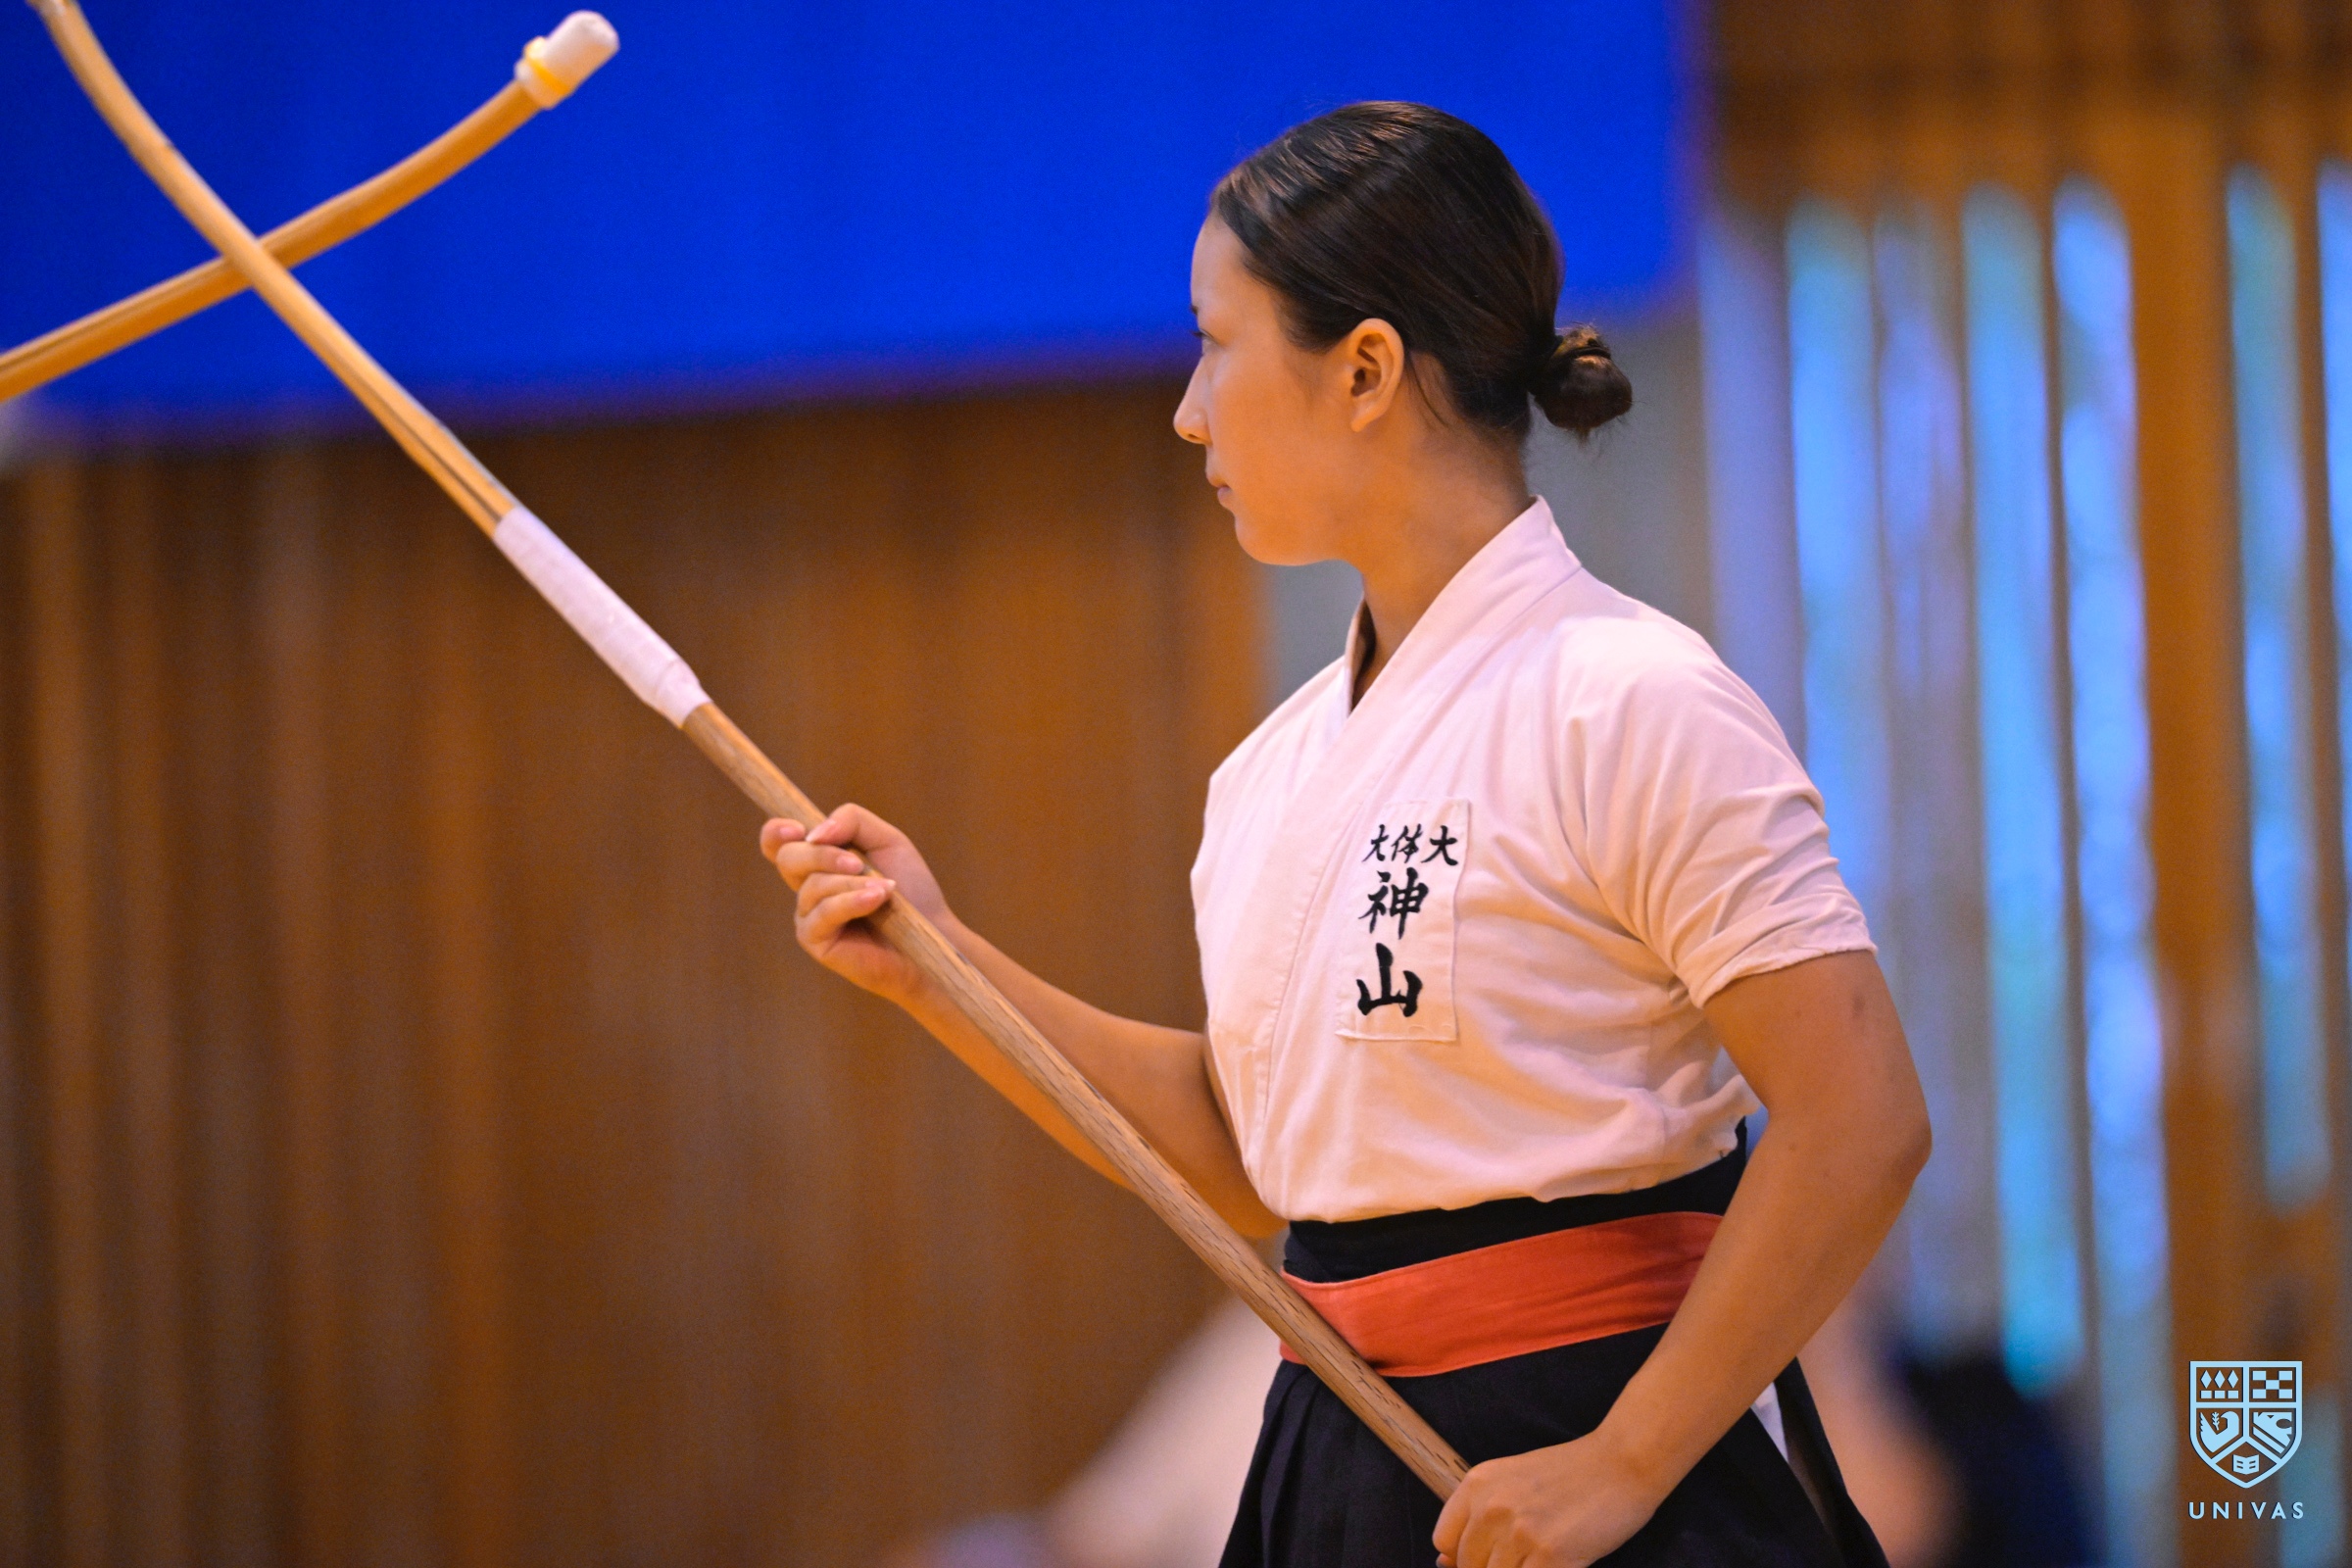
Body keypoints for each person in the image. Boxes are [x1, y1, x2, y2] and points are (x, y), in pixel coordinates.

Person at [761, 101, 1931, 1568]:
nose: (1189, 411)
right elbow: (1253, 1159)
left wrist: (1624, 1462)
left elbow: (1859, 1118)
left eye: (1215, 343)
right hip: (1337, 1453)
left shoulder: (1632, 698)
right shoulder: (1269, 772)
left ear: (1365, 368)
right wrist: (941, 968)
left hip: (1596, 1451)